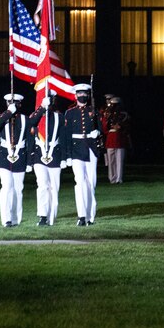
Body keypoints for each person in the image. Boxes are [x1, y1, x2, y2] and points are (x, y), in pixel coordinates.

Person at [63, 83, 102, 226]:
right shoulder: (70, 113)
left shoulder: (93, 110)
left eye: (84, 94)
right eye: (79, 94)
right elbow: (66, 136)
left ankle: (90, 215)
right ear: (75, 95)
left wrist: (97, 132)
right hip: (76, 149)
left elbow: (101, 127)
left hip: (91, 148)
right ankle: (81, 215)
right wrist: (67, 155)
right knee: (79, 183)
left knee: (91, 183)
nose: (82, 96)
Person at [0, 92, 34, 227]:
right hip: (4, 156)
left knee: (18, 188)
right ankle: (6, 219)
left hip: (20, 156)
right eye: (10, 103)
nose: (13, 105)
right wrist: (8, 113)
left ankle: (16, 218)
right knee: (6, 186)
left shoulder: (25, 119)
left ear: (20, 104)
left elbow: (30, 141)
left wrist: (29, 162)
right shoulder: (1, 117)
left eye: (16, 103)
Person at [28, 89, 66, 226]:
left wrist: (64, 157)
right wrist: (42, 108)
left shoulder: (59, 117)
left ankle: (52, 215)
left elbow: (64, 138)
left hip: (54, 154)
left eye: (51, 98)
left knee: (54, 187)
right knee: (42, 186)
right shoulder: (37, 115)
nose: (49, 100)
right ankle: (42, 216)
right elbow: (30, 123)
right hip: (39, 154)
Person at [101, 96, 131, 184]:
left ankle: (119, 178)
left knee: (119, 160)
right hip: (110, 138)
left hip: (120, 138)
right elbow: (104, 126)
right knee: (111, 161)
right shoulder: (107, 114)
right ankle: (112, 178)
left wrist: (120, 127)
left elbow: (127, 126)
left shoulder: (124, 114)